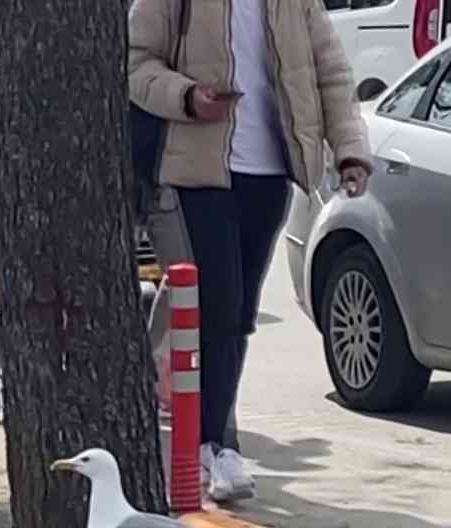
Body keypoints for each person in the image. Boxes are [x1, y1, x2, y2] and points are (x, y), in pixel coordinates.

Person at [129, 0, 372, 502]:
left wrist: (349, 150)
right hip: (194, 172)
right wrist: (189, 97)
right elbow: (135, 63)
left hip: (269, 175)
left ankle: (209, 441)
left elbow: (331, 73)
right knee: (215, 307)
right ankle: (212, 445)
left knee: (237, 315)